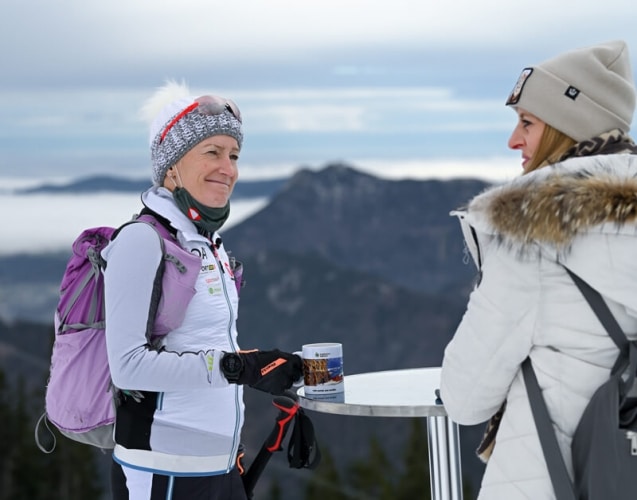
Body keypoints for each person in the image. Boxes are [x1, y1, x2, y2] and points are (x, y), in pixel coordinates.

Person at [440, 40, 637, 499]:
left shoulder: (531, 236)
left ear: (568, 127)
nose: (513, 140)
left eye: (527, 122)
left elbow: (465, 399)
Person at [102, 80, 303, 500]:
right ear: (171, 166)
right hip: (162, 473)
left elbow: (205, 347)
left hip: (219, 466)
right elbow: (128, 366)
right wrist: (237, 369)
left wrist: (261, 371)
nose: (227, 168)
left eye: (233, 155)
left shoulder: (204, 244)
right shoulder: (142, 241)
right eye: (212, 152)